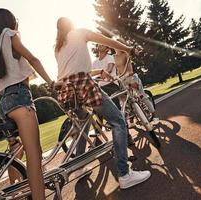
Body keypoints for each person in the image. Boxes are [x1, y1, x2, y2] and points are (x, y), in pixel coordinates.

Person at [54, 17, 151, 189]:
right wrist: (128, 49)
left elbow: (72, 71)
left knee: (83, 125)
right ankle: (124, 174)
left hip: (66, 91)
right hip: (83, 85)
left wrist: (98, 71)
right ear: (71, 25)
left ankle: (79, 166)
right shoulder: (80, 33)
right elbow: (109, 41)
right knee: (119, 121)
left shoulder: (58, 47)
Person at [0, 8, 53, 200]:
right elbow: (33, 59)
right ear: (9, 20)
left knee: (16, 151)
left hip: (5, 102)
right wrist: (51, 83)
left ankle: (14, 189)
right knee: (35, 156)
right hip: (20, 98)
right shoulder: (10, 34)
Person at [92, 44, 135, 146]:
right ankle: (97, 137)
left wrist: (100, 74)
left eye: (103, 45)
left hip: (111, 85)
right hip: (100, 87)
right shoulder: (94, 62)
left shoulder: (110, 57)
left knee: (117, 111)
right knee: (97, 112)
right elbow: (91, 74)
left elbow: (109, 70)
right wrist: (97, 76)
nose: (100, 45)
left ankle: (127, 136)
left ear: (107, 49)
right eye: (99, 44)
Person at [114, 49, 159, 125]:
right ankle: (132, 120)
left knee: (142, 97)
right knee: (127, 101)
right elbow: (116, 71)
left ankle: (155, 117)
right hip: (122, 80)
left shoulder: (126, 54)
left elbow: (130, 70)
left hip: (131, 78)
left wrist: (129, 80)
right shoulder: (113, 57)